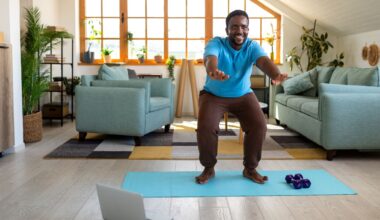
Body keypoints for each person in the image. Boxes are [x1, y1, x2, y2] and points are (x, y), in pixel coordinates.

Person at [195, 10, 287, 184]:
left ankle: (250, 169)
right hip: (214, 95)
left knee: (259, 125)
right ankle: (209, 168)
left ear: (248, 29)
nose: (239, 31)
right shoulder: (216, 43)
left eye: (243, 27)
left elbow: (264, 62)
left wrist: (276, 75)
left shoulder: (252, 46)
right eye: (234, 27)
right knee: (206, 127)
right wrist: (213, 71)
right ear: (227, 29)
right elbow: (210, 59)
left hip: (243, 95)